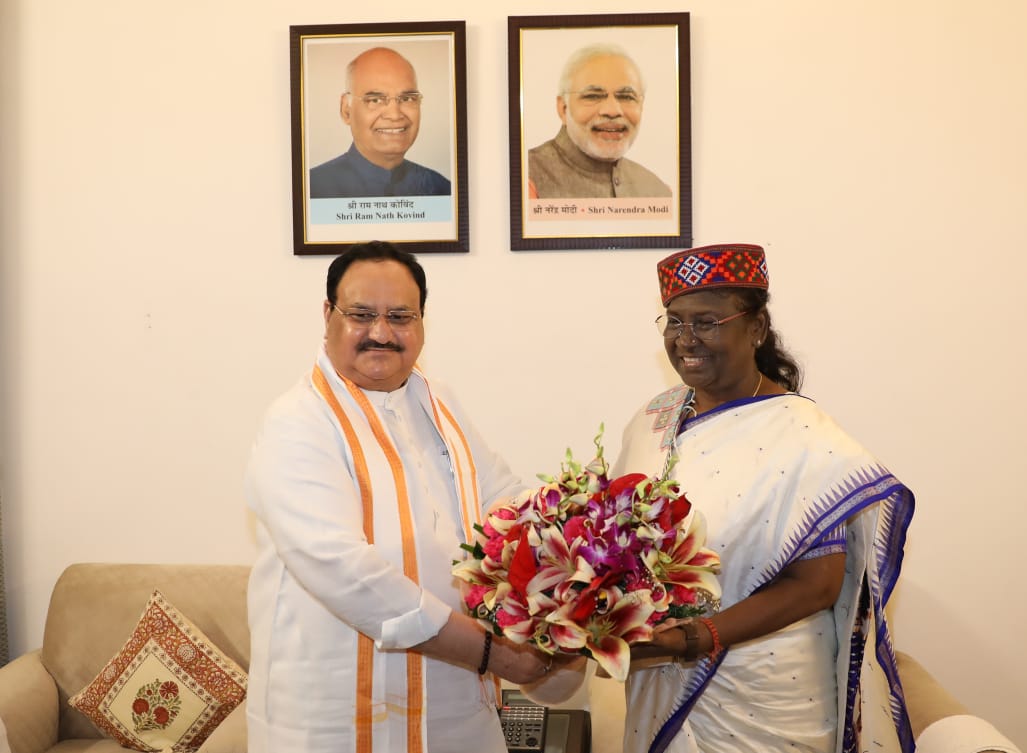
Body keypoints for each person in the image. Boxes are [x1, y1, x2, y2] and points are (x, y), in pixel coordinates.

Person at [595, 243, 915, 752]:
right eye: (674, 322)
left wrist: (696, 638)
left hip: (766, 698)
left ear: (757, 327)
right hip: (657, 678)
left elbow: (816, 585)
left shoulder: (805, 435)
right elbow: (611, 538)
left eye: (707, 321)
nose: (686, 340)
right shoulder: (654, 418)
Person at [245, 241, 555, 752]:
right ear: (328, 316)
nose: (381, 333)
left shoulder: (439, 403)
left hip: (451, 703)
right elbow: (342, 568)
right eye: (361, 315)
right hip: (332, 715)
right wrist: (490, 654)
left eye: (400, 316)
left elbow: (507, 504)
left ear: (422, 321)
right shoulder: (298, 421)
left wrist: (583, 564)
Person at [528, 43, 673, 199]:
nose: (612, 111)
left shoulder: (659, 192)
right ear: (563, 108)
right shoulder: (527, 178)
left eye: (626, 97)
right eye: (593, 96)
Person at [309, 47, 451, 198]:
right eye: (375, 100)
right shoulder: (312, 189)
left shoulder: (441, 190)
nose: (395, 115)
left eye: (407, 99)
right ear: (346, 110)